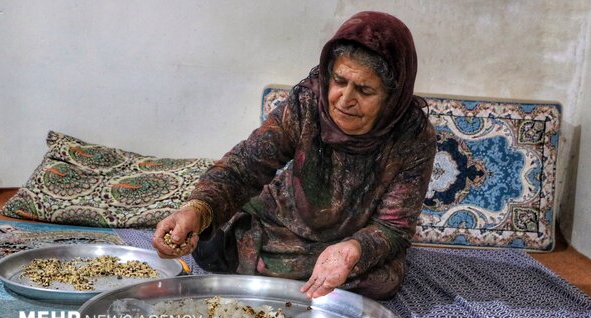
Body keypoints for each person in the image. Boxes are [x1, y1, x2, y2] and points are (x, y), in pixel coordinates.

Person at [152, 11, 436, 300]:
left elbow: (393, 226)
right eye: (339, 81)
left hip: (349, 242)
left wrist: (354, 250)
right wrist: (198, 209)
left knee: (382, 280)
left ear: (392, 96)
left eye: (364, 90)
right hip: (282, 227)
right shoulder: (307, 103)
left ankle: (310, 271)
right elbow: (246, 165)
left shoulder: (413, 137)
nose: (345, 99)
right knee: (210, 242)